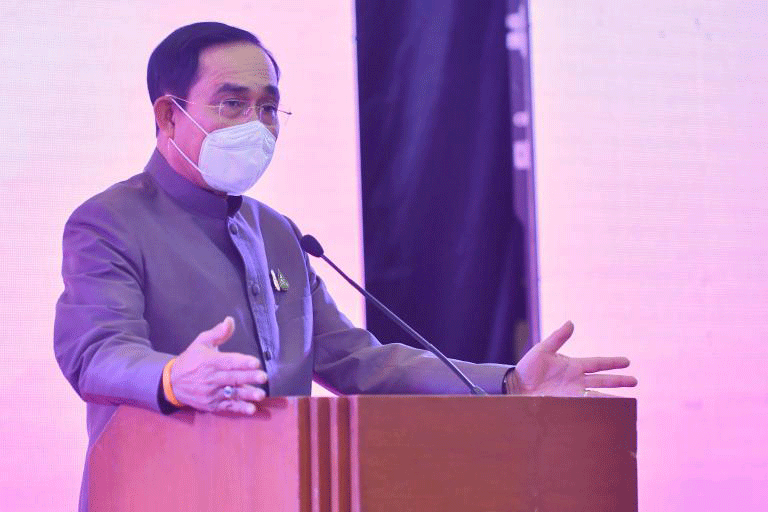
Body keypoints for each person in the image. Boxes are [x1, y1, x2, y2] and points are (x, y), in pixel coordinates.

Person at [54, 22, 636, 511]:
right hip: (160, 490)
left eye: (268, 107)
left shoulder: (278, 233)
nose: (257, 124)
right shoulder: (109, 222)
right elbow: (95, 353)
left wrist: (507, 383)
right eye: (232, 104)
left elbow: (358, 361)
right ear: (168, 114)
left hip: (279, 492)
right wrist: (171, 379)